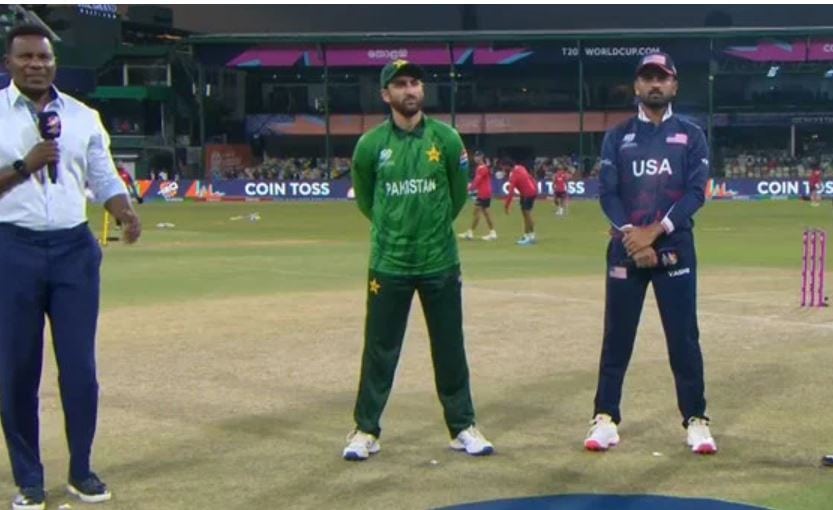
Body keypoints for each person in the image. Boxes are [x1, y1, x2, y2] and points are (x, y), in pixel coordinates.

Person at [0, 25, 142, 510]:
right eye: (26, 57)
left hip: (73, 250)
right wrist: (26, 165)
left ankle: (81, 470)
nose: (36, 65)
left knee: (80, 369)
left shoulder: (82, 117)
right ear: (8, 63)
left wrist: (122, 210)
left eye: (43, 57)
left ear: (54, 63)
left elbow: (102, 174)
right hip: (11, 248)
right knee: (17, 370)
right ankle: (29, 480)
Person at [343, 59, 493, 461]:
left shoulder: (447, 139)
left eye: (414, 83)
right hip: (388, 263)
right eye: (400, 85)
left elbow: (457, 195)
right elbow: (366, 200)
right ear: (385, 94)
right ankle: (365, 429)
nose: (409, 90)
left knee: (449, 346)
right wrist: (392, 227)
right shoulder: (370, 145)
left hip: (439, 260)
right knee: (379, 349)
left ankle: (462, 426)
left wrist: (431, 228)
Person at [584, 52, 716, 455]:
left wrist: (654, 233)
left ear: (674, 85)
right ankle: (605, 417)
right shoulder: (618, 136)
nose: (654, 84)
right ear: (636, 86)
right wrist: (632, 236)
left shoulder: (691, 134)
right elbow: (607, 193)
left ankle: (696, 420)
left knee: (683, 337)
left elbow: (695, 193)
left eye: (662, 78)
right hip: (626, 249)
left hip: (674, 248)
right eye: (647, 78)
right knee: (617, 336)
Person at [458, 151, 497, 241]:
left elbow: (477, 180)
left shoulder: (482, 168)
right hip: (485, 193)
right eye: (475, 156)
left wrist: (469, 188)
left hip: (483, 193)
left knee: (479, 212)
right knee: (481, 212)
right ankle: (474, 232)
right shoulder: (482, 167)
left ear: (481, 157)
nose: (476, 158)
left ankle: (472, 233)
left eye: (478, 156)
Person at [503, 160, 538, 245]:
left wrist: (506, 206)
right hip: (528, 192)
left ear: (508, 166)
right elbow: (530, 177)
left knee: (527, 215)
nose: (503, 169)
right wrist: (535, 188)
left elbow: (511, 192)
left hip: (528, 194)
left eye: (504, 166)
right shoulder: (520, 167)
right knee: (525, 215)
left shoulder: (513, 175)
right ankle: (526, 235)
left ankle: (532, 237)